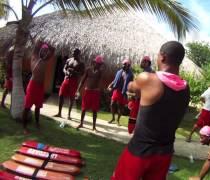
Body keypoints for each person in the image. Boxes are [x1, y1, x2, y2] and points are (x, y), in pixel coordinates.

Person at [111, 41, 190, 180]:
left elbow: (131, 87)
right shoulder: (185, 88)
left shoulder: (148, 79)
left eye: (158, 55)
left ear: (163, 57)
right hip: (165, 153)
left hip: (140, 150)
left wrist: (131, 83)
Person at [22, 43, 53, 134]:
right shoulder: (35, 57)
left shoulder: (45, 60)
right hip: (33, 85)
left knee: (38, 107)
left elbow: (52, 50)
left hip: (40, 86)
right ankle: (24, 127)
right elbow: (36, 47)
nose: (44, 52)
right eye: (43, 50)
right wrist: (41, 45)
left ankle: (37, 124)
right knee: (27, 107)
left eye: (46, 51)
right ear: (40, 50)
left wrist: (47, 45)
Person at [76, 56, 104, 131]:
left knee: (94, 110)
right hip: (87, 91)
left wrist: (100, 92)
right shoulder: (88, 70)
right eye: (98, 64)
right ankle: (81, 123)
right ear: (94, 63)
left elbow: (100, 82)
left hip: (95, 92)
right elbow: (82, 80)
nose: (99, 65)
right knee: (83, 108)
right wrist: (78, 90)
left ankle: (94, 126)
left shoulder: (100, 72)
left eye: (100, 64)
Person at [54, 49, 84, 119]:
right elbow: (64, 68)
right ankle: (59, 113)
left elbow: (82, 73)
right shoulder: (69, 60)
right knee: (61, 95)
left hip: (74, 81)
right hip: (66, 79)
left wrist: (74, 72)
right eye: (73, 53)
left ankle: (69, 114)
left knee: (71, 98)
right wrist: (66, 72)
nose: (73, 54)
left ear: (79, 54)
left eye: (75, 53)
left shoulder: (81, 63)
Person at [107, 59, 133, 126]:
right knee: (112, 103)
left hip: (123, 92)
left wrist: (129, 94)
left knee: (120, 106)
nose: (123, 65)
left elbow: (131, 84)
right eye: (123, 64)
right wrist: (110, 85)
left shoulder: (130, 74)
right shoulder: (119, 72)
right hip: (116, 90)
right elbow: (115, 80)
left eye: (125, 64)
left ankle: (118, 120)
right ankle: (113, 118)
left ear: (128, 65)